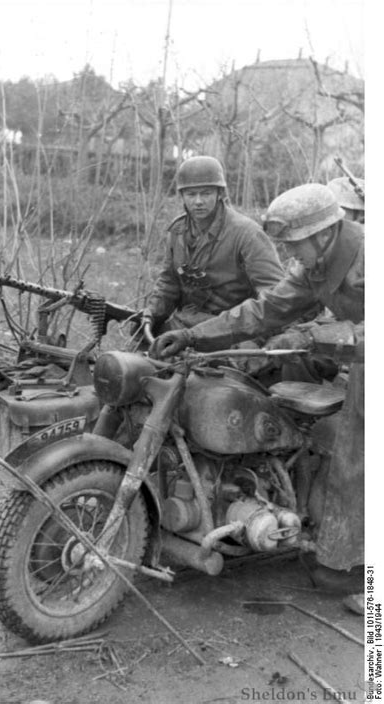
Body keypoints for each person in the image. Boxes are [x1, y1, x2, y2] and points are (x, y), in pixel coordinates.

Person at [151, 183, 364, 612]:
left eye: (294, 244)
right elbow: (264, 308)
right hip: (359, 355)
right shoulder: (317, 265)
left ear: (324, 234)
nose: (289, 254)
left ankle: (359, 570)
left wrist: (331, 334)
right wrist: (194, 334)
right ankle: (309, 520)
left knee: (357, 461)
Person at [141, 156, 284, 336]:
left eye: (206, 193)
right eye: (191, 194)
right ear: (182, 197)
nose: (198, 201)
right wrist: (152, 313)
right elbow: (169, 283)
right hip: (186, 324)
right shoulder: (177, 231)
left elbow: (274, 294)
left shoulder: (247, 234)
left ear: (220, 194)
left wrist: (256, 333)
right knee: (133, 354)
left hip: (232, 329)